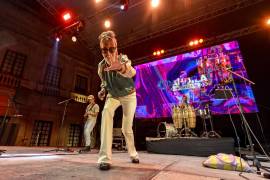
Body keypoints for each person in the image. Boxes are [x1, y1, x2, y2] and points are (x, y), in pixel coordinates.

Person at [97, 30, 139, 170]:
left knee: (126, 128)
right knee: (106, 112)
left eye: (111, 49)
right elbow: (104, 82)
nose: (108, 53)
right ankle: (104, 158)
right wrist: (103, 90)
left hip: (129, 95)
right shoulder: (101, 67)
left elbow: (132, 72)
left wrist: (120, 67)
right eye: (104, 50)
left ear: (116, 48)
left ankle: (133, 154)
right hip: (113, 95)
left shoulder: (123, 59)